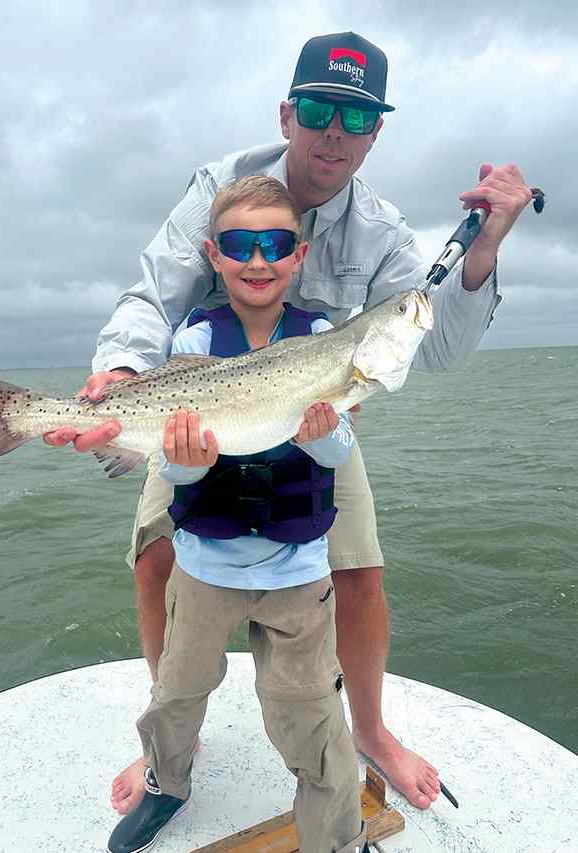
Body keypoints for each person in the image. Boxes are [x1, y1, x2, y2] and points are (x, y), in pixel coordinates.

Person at [45, 31, 534, 813]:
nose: (334, 132)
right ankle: (174, 735)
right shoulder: (218, 185)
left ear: (377, 132)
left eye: (355, 116)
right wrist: (123, 374)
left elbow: (433, 342)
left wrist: (483, 254)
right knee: (152, 556)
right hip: (193, 408)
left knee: (362, 571)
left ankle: (369, 729)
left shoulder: (380, 229)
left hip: (313, 415)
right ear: (287, 114)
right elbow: (153, 294)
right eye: (317, 110)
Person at [107, 175, 368, 853]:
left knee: (312, 714)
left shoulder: (322, 339)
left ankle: (337, 836)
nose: (257, 258)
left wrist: (323, 433)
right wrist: (188, 457)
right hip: (202, 568)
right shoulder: (194, 338)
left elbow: (339, 448)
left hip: (298, 573)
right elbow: (176, 466)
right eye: (239, 244)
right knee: (176, 694)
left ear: (298, 254)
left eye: (274, 243)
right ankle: (166, 781)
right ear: (213, 255)